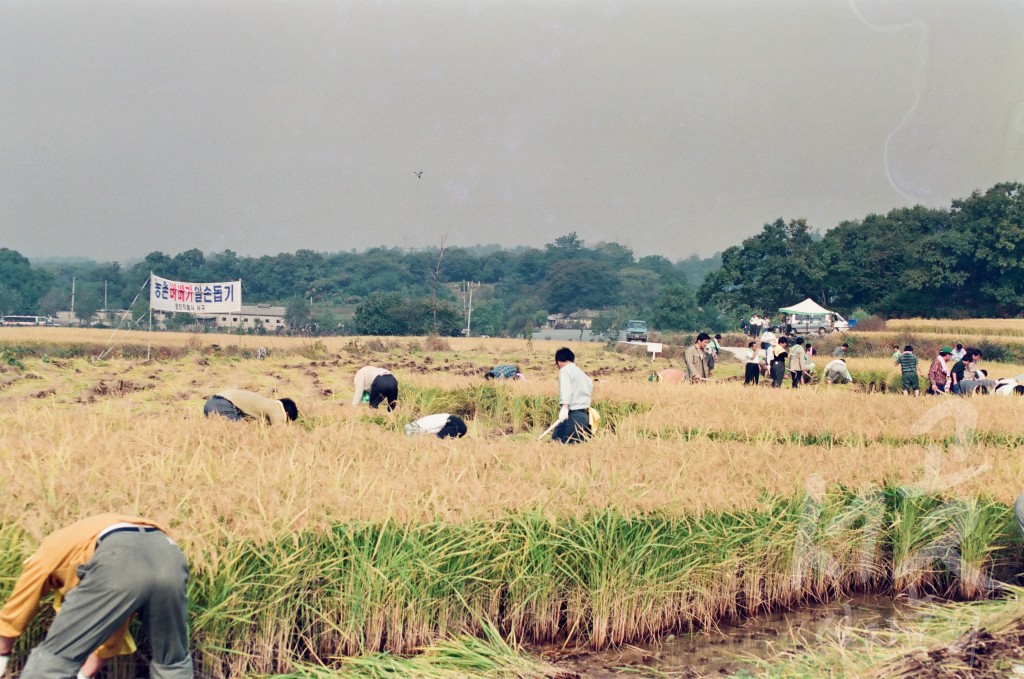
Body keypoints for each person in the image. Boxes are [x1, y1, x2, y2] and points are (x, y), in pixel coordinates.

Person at [0, 514, 192, 679]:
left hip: (119, 552)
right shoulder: (82, 545)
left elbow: (21, 601)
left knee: (54, 657)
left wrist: (3, 651)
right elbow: (114, 623)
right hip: (169, 554)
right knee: (172, 660)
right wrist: (85, 674)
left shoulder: (49, 554)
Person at [551, 347, 593, 444]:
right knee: (556, 438)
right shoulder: (583, 375)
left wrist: (564, 407)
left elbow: (566, 390)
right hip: (585, 417)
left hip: (574, 417)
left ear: (559, 362)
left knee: (563, 446)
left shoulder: (565, 370)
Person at [203, 389, 298, 424]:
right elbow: (279, 433)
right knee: (242, 433)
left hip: (211, 403)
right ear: (286, 414)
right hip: (224, 405)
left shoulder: (265, 403)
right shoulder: (277, 407)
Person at [404, 413, 468, 438]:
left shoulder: (414, 428)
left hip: (452, 421)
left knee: (439, 439)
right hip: (449, 420)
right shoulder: (415, 424)